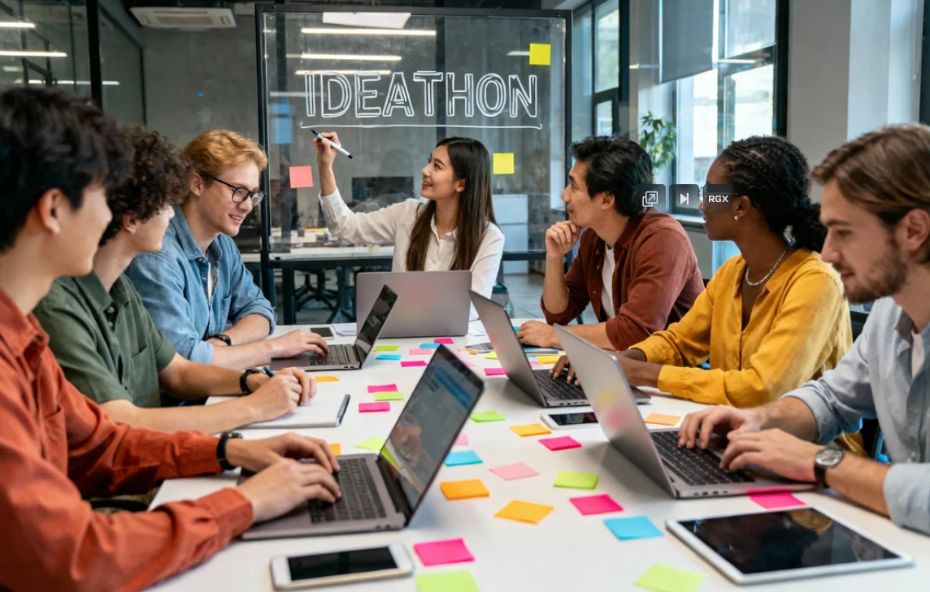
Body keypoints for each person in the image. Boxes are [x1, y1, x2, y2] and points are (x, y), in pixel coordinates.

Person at [0, 86, 341, 590]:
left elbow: (102, 444)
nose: (114, 211)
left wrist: (231, 453)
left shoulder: (22, 337)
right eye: (103, 193)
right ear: (54, 209)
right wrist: (244, 501)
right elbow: (72, 557)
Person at [678, 124, 930, 536]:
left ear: (914, 231)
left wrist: (822, 461)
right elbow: (832, 399)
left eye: (844, 233)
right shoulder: (889, 315)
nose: (828, 251)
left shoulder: (818, 279)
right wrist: (759, 419)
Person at [35, 129, 317, 434]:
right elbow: (120, 423)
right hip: (140, 459)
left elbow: (178, 372)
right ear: (131, 218)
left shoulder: (121, 289)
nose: (172, 214)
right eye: (164, 203)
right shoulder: (61, 304)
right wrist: (255, 405)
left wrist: (252, 380)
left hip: (161, 444)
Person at [612, 136, 852, 408]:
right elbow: (680, 342)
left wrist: (646, 374)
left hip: (807, 444)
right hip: (736, 427)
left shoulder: (816, 281)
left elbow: (762, 389)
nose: (702, 204)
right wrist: (626, 360)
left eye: (711, 193)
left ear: (741, 206)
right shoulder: (733, 272)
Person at [126, 130, 328, 369]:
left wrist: (223, 341)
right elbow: (184, 360)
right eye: (238, 191)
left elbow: (259, 309)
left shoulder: (221, 244)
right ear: (197, 184)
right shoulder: (159, 255)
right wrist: (274, 348)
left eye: (252, 195)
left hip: (209, 388)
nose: (246, 206)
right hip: (180, 402)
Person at [518, 136, 703, 350]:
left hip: (673, 375)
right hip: (626, 366)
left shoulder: (663, 239)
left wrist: (553, 336)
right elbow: (558, 313)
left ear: (606, 199)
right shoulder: (594, 237)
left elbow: (636, 332)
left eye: (574, 186)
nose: (564, 195)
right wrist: (554, 256)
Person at [314, 132, 505, 306]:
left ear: (461, 184)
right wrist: (325, 167)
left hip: (454, 339)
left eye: (437, 166)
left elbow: (473, 309)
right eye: (429, 162)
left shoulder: (489, 237)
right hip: (402, 334)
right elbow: (344, 226)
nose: (425, 170)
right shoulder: (408, 214)